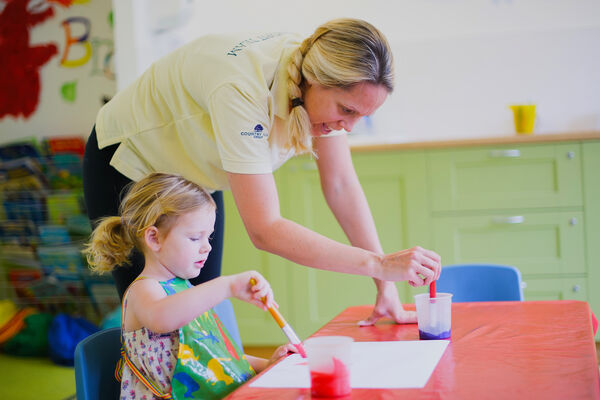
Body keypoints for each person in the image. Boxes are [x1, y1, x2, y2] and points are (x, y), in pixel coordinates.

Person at [83, 17, 442, 326]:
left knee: (204, 318)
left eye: (362, 117)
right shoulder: (242, 90)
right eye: (346, 110)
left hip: (191, 176)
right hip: (128, 161)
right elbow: (266, 230)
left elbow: (340, 184)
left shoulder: (315, 81)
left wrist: (385, 286)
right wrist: (378, 264)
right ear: (314, 80)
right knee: (159, 321)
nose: (348, 127)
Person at [83, 173, 297, 400]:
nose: (207, 248)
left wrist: (269, 364)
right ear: (154, 238)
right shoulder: (144, 290)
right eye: (196, 238)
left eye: (209, 238)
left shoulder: (184, 288)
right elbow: (162, 318)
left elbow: (216, 355)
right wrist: (227, 286)